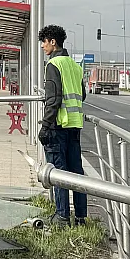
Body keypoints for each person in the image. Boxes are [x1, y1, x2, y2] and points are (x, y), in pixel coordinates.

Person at [37, 24, 87, 228]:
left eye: (44, 42)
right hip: (75, 125)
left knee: (59, 172)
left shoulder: (53, 65)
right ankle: (81, 217)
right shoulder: (75, 66)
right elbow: (82, 95)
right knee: (76, 172)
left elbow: (54, 99)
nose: (42, 46)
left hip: (58, 126)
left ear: (53, 42)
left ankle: (62, 217)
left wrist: (45, 126)